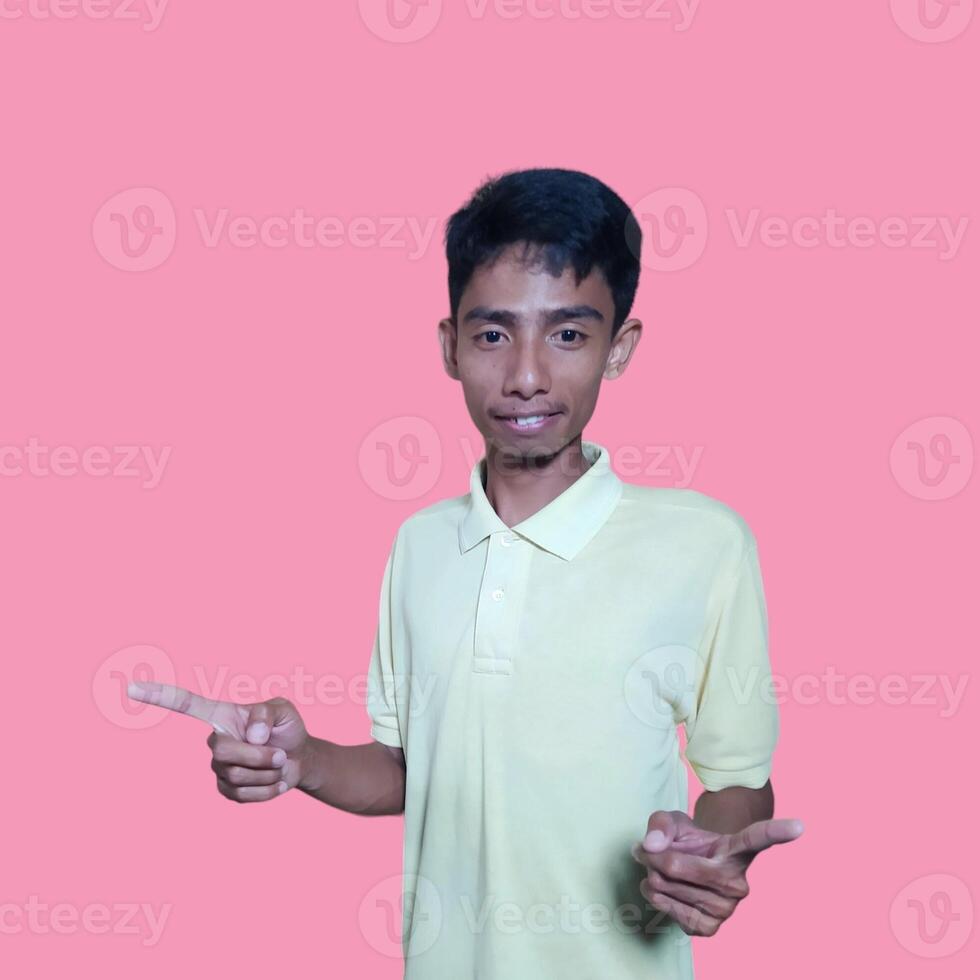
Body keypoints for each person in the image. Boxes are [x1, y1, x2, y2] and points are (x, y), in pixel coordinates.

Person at [129, 167, 804, 979]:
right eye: (492, 335)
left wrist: (715, 848)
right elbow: (411, 769)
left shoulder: (704, 545)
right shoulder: (419, 545)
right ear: (449, 346)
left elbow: (739, 783)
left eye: (567, 334)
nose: (525, 375)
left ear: (618, 348)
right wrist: (301, 761)